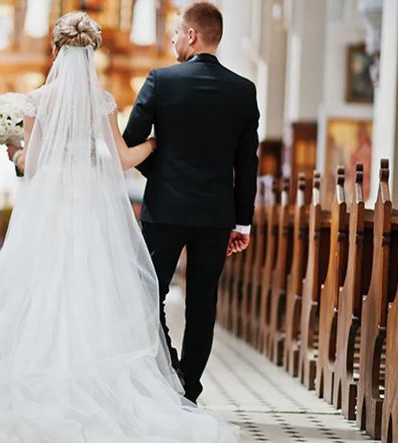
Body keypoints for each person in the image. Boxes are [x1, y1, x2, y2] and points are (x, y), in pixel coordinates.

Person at [0, 10, 240, 443]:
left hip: (49, 201)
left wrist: (12, 152)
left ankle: (35, 374)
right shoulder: (102, 100)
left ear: (54, 50)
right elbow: (123, 160)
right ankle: (104, 384)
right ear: (91, 52)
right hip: (89, 200)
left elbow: (30, 162)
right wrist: (157, 142)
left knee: (42, 287)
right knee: (89, 287)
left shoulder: (36, 100)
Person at [122, 0, 260, 403]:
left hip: (165, 208)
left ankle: (168, 368)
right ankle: (189, 389)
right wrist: (242, 222)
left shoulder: (161, 81)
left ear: (193, 35)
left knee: (150, 293)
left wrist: (162, 174)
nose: (173, 39)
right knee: (202, 301)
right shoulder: (243, 90)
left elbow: (131, 142)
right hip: (216, 215)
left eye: (177, 32)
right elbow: (246, 163)